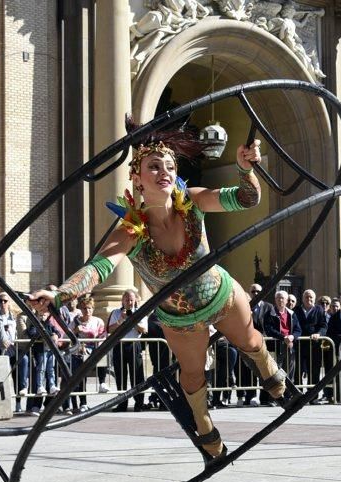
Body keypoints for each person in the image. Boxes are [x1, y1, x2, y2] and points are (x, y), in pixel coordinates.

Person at [29, 122, 285, 458]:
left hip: (220, 294)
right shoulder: (131, 231)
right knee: (193, 376)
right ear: (137, 178)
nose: (163, 172)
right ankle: (204, 427)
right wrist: (59, 294)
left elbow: (246, 199)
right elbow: (99, 268)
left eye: (169, 166)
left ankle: (267, 369)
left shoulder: (193, 201)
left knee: (250, 341)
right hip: (179, 316)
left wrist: (244, 168)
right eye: (153, 166)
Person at [107, 289, 149, 412]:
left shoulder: (140, 312)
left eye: (131, 300)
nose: (129, 302)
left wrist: (131, 318)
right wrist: (120, 320)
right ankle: (121, 403)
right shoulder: (115, 312)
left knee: (137, 375)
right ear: (122, 301)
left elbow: (143, 330)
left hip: (134, 345)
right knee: (120, 376)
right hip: (119, 345)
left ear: (135, 300)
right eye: (127, 300)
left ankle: (139, 403)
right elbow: (110, 329)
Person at [69, 295, 106, 413]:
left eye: (90, 308)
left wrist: (97, 347)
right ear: (81, 309)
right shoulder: (75, 321)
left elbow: (102, 337)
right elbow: (67, 336)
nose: (87, 311)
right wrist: (76, 331)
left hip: (94, 349)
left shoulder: (98, 321)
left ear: (93, 309)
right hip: (78, 351)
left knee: (103, 355)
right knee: (80, 377)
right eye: (85, 308)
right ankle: (80, 403)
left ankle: (102, 382)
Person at [294, 289, 328, 389]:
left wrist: (319, 334)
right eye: (306, 297)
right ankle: (298, 394)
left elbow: (324, 325)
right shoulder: (296, 310)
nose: (309, 299)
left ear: (314, 298)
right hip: (299, 345)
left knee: (314, 370)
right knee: (298, 370)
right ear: (302, 298)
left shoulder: (319, 310)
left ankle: (313, 396)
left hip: (314, 345)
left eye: (311, 297)